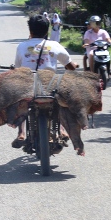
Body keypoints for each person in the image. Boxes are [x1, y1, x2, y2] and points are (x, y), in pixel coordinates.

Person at [13, 14, 77, 147]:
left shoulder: (22, 46)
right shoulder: (54, 45)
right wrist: (74, 66)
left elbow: (18, 69)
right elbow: (70, 66)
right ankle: (62, 129)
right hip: (50, 85)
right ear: (47, 31)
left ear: (30, 31)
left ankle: (21, 133)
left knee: (20, 102)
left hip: (29, 85)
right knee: (63, 101)